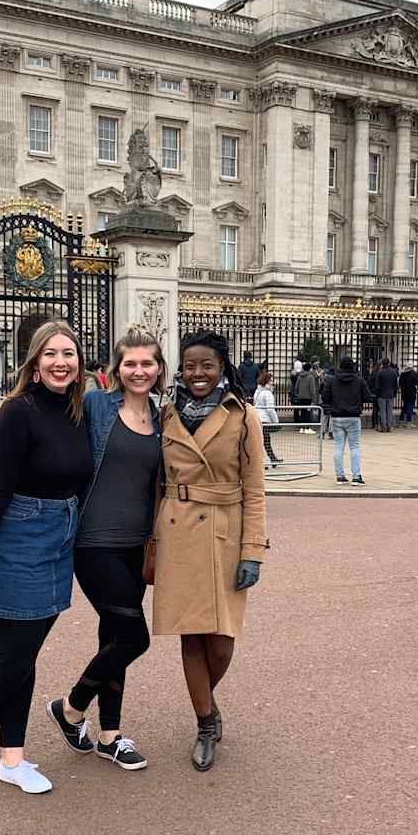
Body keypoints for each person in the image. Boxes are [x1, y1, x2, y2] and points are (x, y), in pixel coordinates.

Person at [0, 321, 94, 795]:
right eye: (50, 354)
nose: (60, 362)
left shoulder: (77, 410)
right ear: (33, 363)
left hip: (60, 538)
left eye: (68, 353)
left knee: (24, 655)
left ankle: (13, 758)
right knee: (11, 658)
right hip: (15, 537)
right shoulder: (16, 412)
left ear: (78, 362)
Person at [47, 326, 165, 772]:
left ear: (158, 368)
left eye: (147, 363)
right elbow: (48, 420)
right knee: (134, 637)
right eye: (130, 364)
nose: (138, 371)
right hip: (93, 542)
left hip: (139, 545)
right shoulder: (96, 404)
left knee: (113, 636)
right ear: (116, 368)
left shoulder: (163, 416)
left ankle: (110, 735)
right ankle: (71, 708)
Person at [152, 329, 268, 771]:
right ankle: (205, 721)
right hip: (178, 530)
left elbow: (255, 490)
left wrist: (253, 550)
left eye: (207, 365)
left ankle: (206, 702)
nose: (197, 373)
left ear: (222, 368)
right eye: (190, 365)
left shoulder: (244, 416)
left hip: (225, 531)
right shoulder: (165, 414)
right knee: (190, 634)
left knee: (221, 643)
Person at [323, 357, 371, 484]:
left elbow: (324, 396)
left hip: (336, 416)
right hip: (353, 416)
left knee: (338, 447)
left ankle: (340, 476)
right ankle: (356, 476)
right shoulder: (359, 380)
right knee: (354, 446)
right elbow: (368, 396)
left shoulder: (332, 380)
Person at [254, 369, 282, 467]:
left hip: (258, 419)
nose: (273, 382)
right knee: (264, 442)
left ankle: (272, 459)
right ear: (266, 382)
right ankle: (263, 462)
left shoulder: (257, 391)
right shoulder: (268, 393)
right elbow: (270, 409)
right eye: (271, 381)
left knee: (264, 441)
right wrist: (276, 422)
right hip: (265, 420)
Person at [375, 359, 399, 433]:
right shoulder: (394, 372)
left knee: (383, 412)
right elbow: (396, 385)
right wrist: (394, 393)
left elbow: (377, 386)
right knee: (389, 411)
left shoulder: (380, 372)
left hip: (381, 395)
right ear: (388, 363)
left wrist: (377, 394)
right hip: (390, 394)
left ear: (382, 364)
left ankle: (384, 427)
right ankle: (390, 426)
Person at [294, 359, 320, 426]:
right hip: (308, 398)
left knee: (302, 412)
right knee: (308, 413)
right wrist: (314, 400)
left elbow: (296, 387)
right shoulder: (310, 377)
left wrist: (298, 394)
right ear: (309, 369)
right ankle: (307, 427)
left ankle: (302, 427)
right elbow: (312, 389)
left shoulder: (299, 376)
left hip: (300, 397)